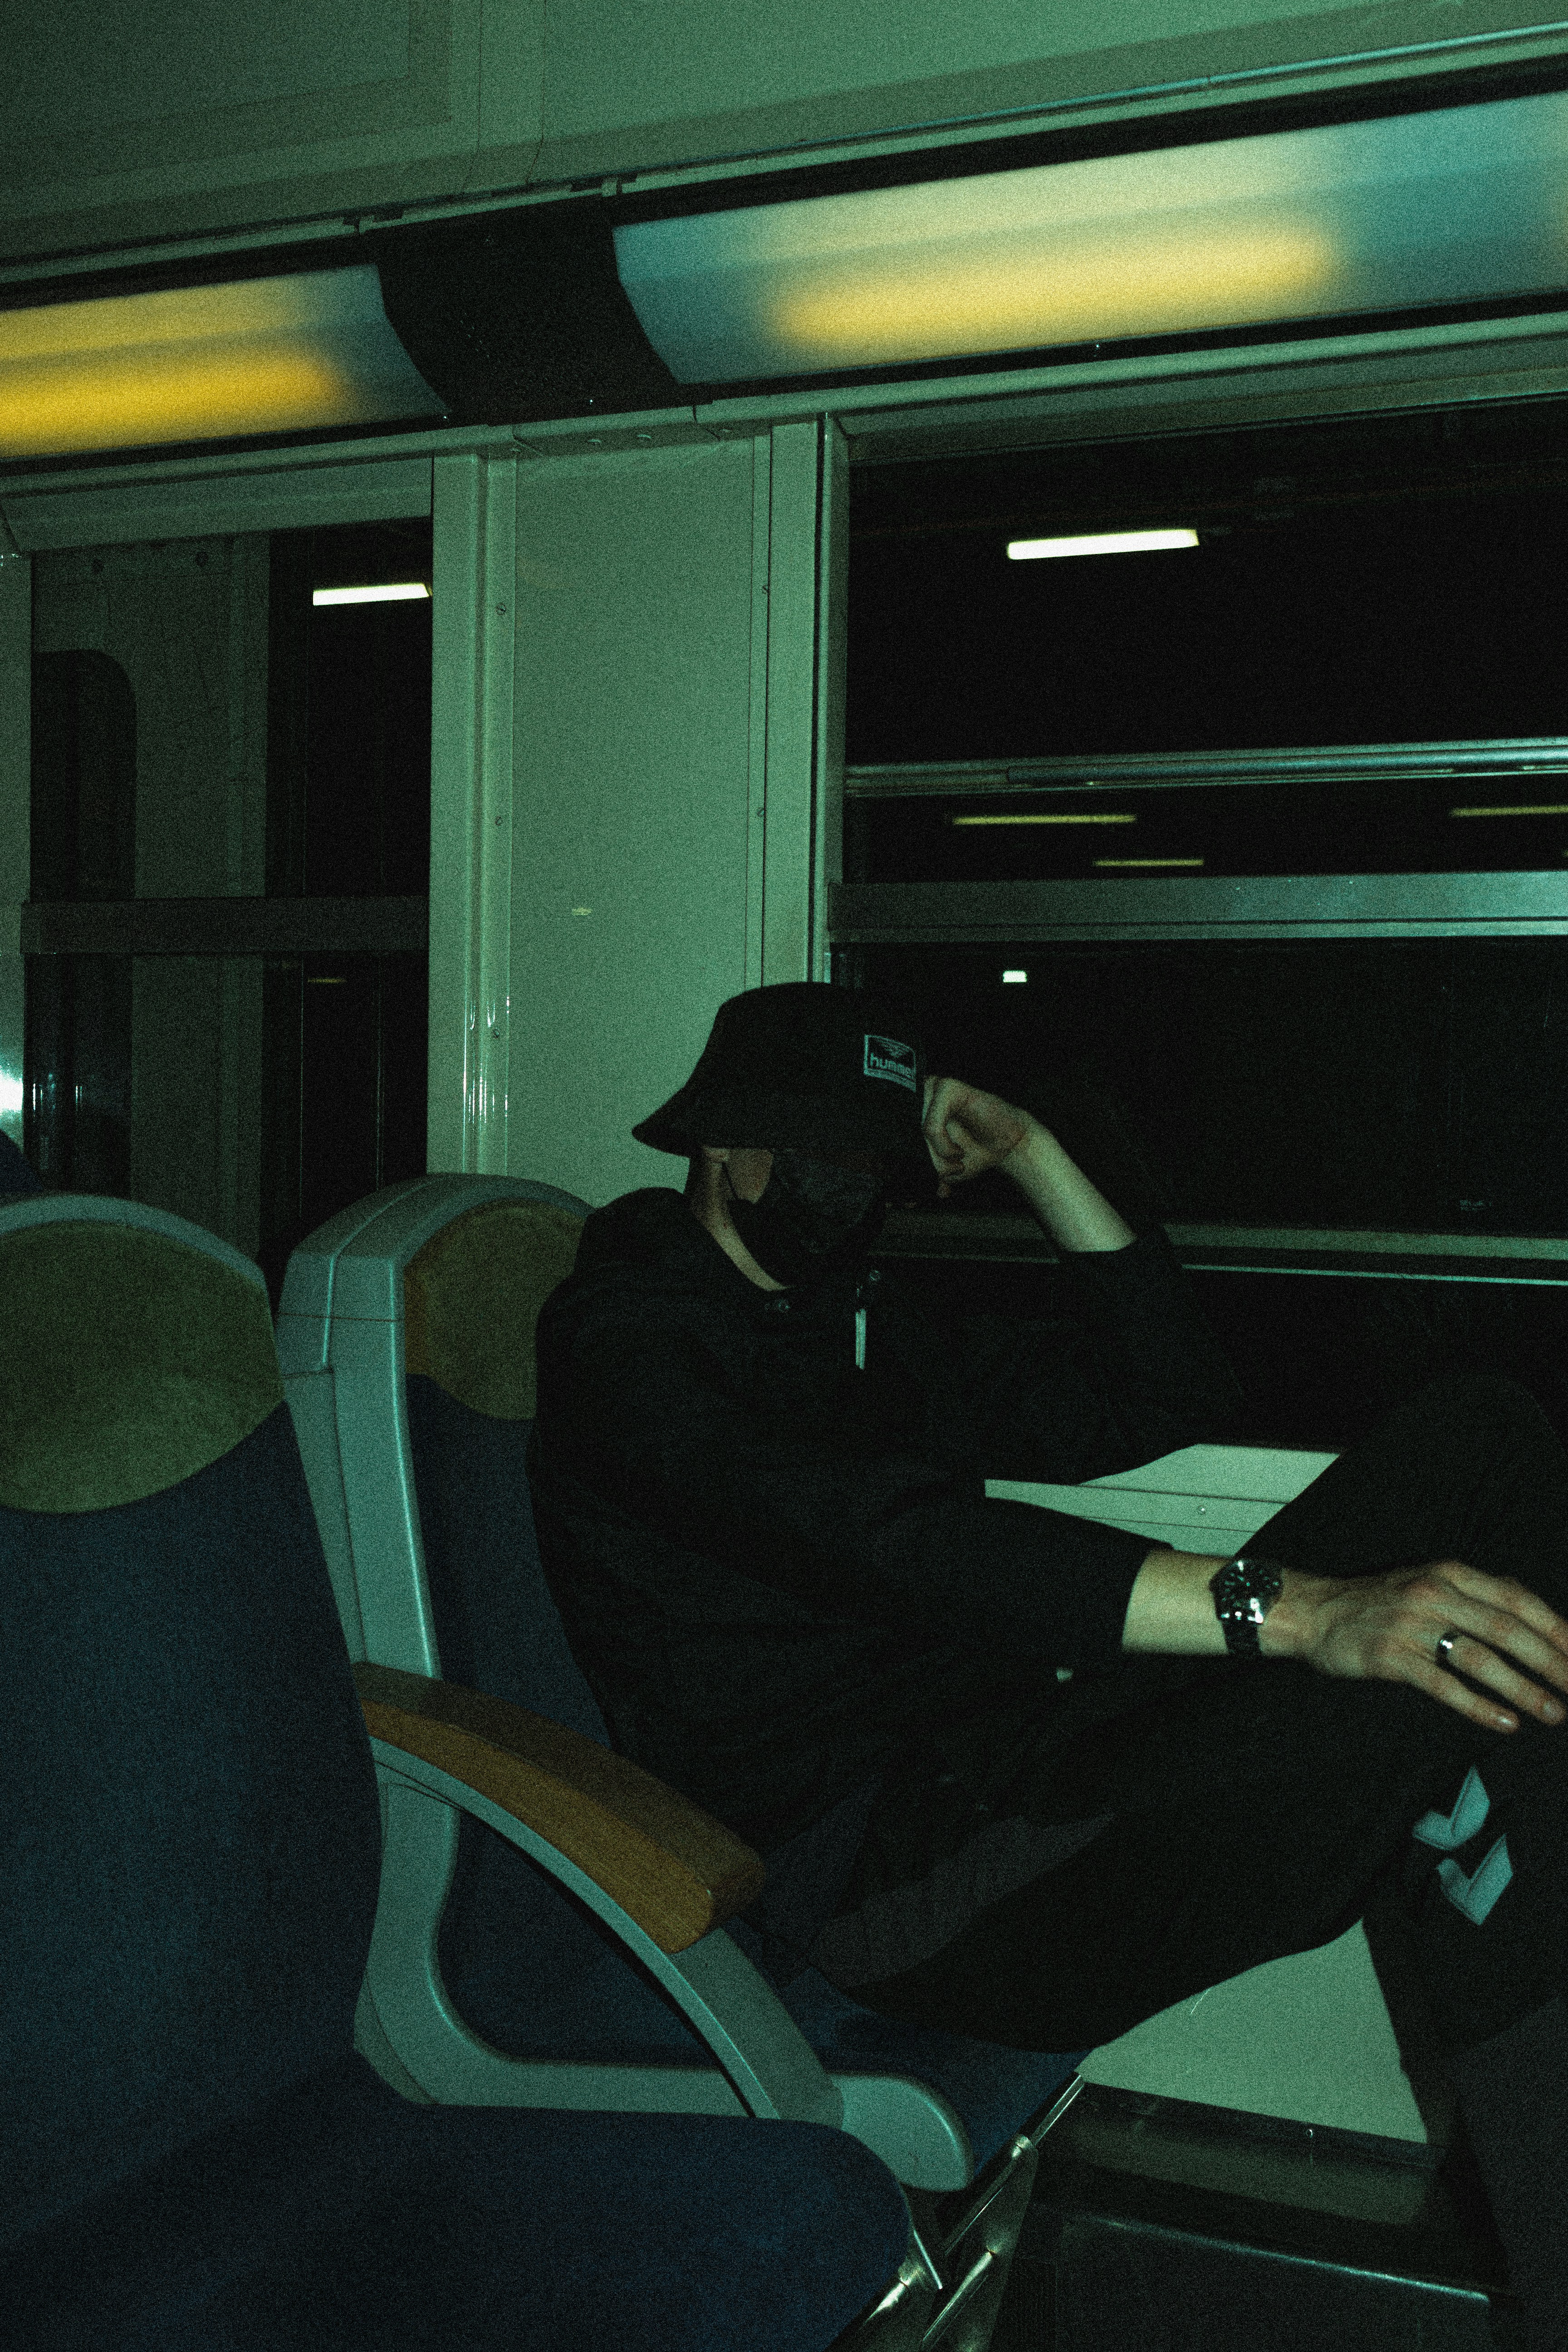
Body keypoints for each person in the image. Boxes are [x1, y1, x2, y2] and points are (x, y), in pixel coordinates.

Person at [527, 981, 1568, 2351]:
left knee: (1478, 1439)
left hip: (1029, 1757)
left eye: (878, 1160)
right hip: (890, 1878)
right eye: (824, 1156)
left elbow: (1165, 1390)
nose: (855, 1189)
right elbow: (902, 1542)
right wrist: (1300, 1612)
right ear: (728, 1148)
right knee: (1408, 1714)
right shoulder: (627, 1348)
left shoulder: (853, 1323)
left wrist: (1034, 1156)